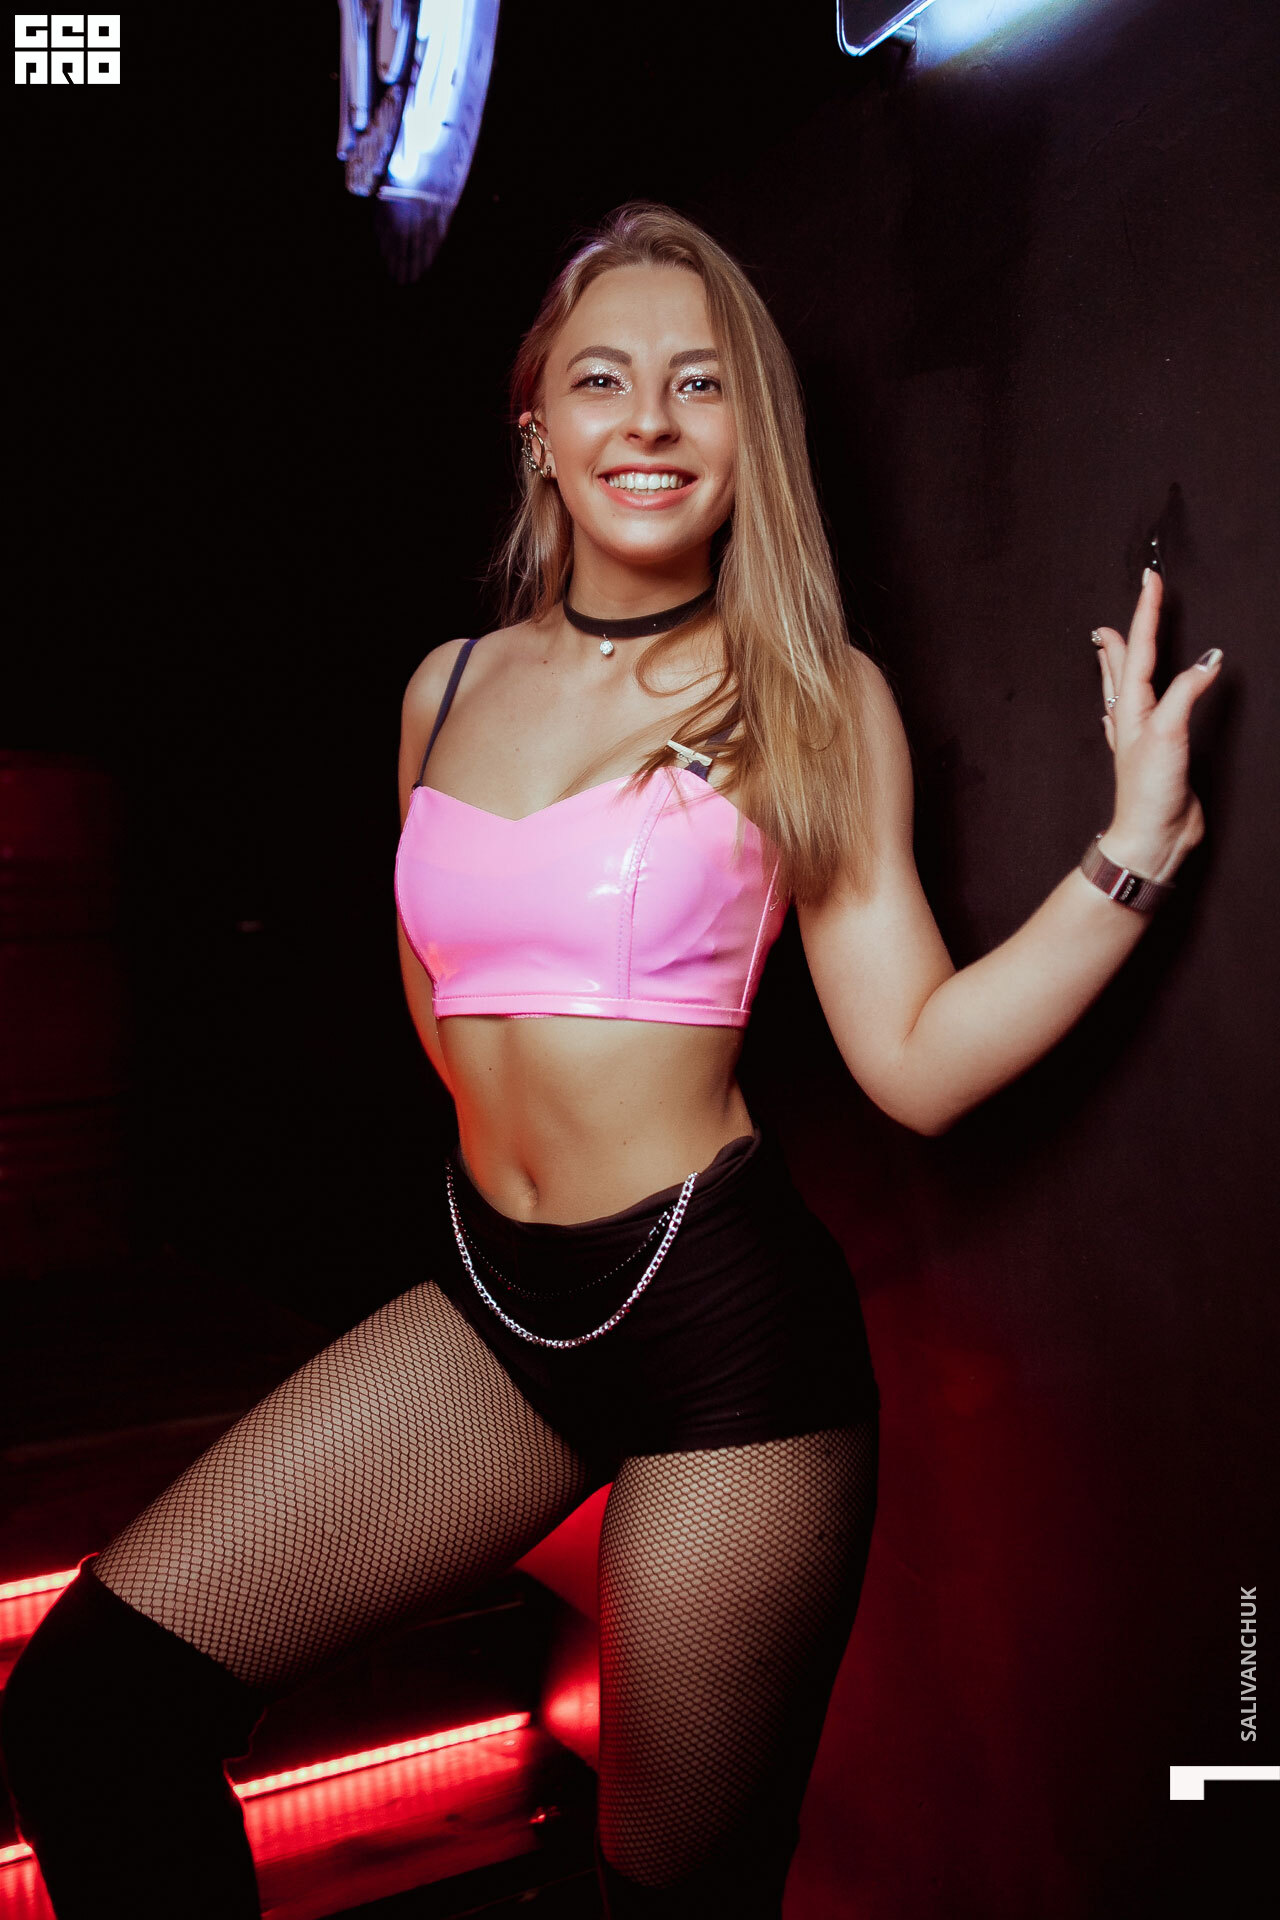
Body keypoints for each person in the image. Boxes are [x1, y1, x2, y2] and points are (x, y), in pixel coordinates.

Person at [0, 203, 1220, 1919]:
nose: (649, 418)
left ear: (750, 432)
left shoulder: (808, 696)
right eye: (603, 378)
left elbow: (916, 1062)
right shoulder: (444, 689)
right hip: (498, 1305)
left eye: (700, 382)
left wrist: (1132, 854)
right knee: (92, 1712)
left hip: (723, 1340)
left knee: (667, 1900)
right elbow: (443, 1001)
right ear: (539, 426)